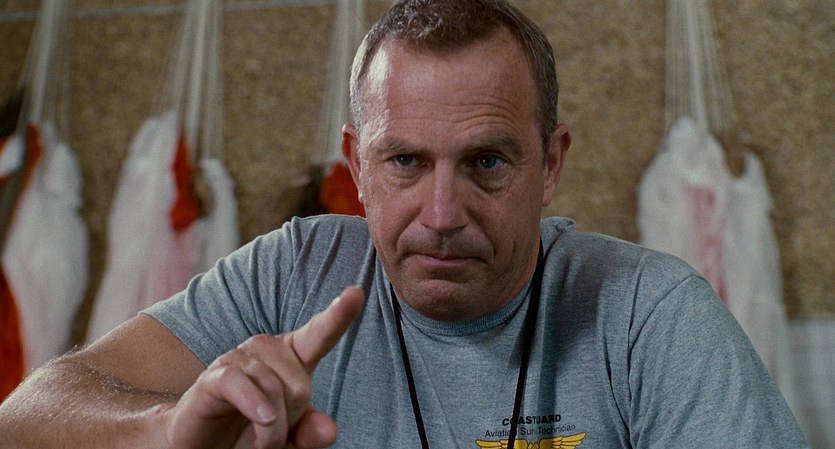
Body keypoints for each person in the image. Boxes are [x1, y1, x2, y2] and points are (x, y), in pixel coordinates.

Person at [0, 1, 808, 448]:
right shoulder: (294, 274)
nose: (442, 216)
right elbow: (25, 418)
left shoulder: (645, 312)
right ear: (357, 163)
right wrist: (166, 430)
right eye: (405, 162)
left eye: (486, 161)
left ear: (550, 162)